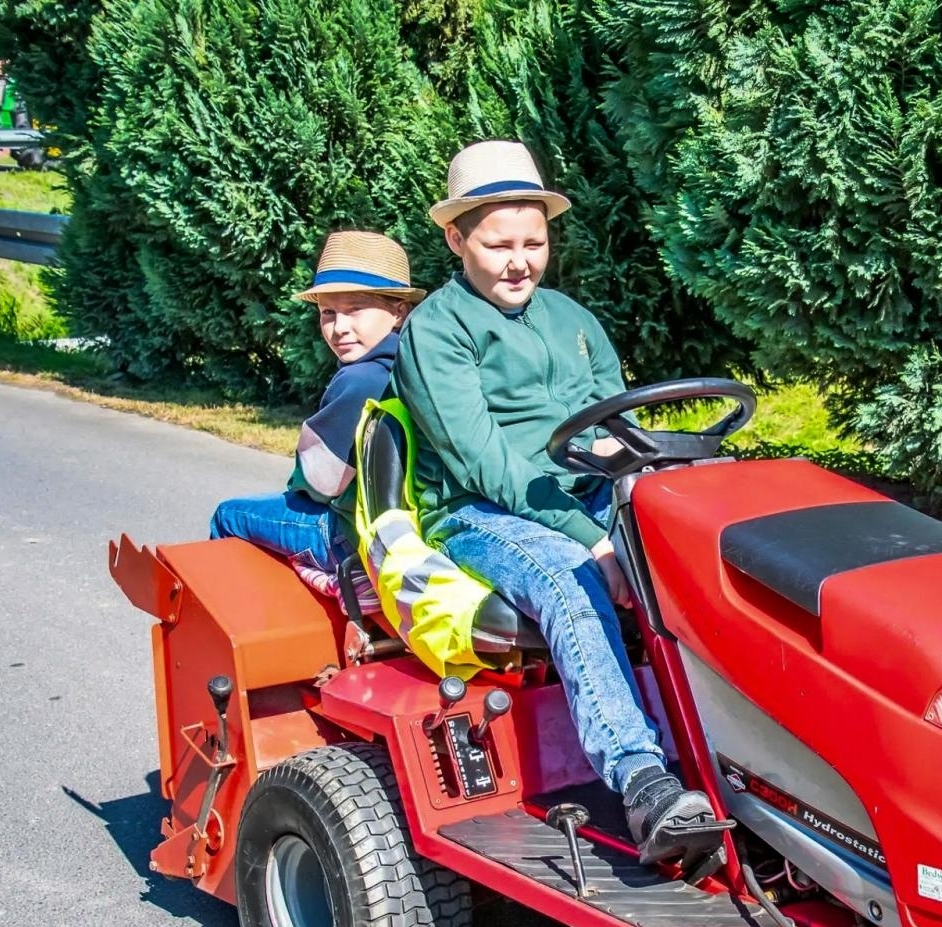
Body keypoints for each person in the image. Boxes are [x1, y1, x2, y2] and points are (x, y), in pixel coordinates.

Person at [392, 140, 721, 864]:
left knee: (707, 550)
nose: (520, 261)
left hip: (584, 490)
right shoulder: (436, 332)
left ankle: (747, 756)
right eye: (499, 243)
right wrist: (592, 538)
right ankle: (643, 781)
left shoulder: (572, 319)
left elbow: (614, 419)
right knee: (571, 580)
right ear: (455, 238)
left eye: (534, 243)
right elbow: (486, 464)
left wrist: (640, 470)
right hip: (483, 514)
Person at [210, 230, 425, 603]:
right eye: (328, 313)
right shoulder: (421, 367)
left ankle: (237, 619)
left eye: (355, 309)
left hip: (348, 534)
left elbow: (318, 482)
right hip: (411, 530)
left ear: (398, 311)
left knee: (229, 515)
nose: (339, 327)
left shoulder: (360, 380)